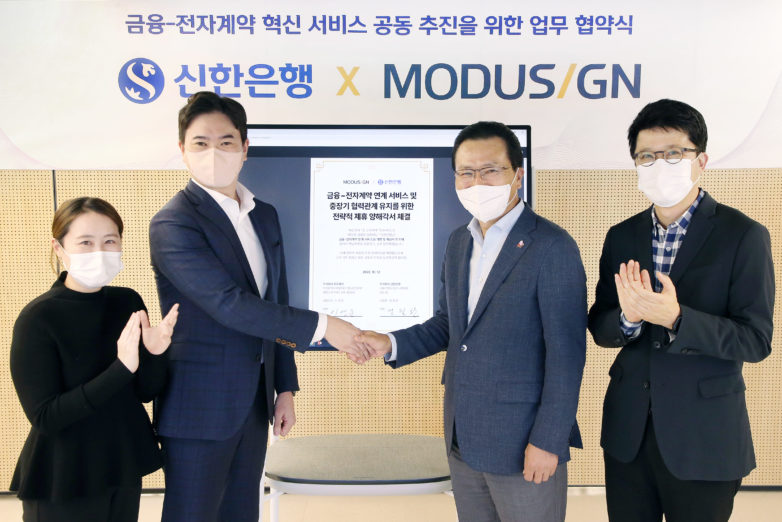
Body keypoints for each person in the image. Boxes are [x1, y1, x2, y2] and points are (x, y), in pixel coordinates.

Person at [149, 91, 369, 522]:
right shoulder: (174, 223)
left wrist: (284, 388)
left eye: (226, 142)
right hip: (199, 407)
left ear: (245, 148)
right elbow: (229, 305)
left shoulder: (263, 215)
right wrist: (326, 326)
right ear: (182, 150)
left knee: (241, 514)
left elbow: (275, 303)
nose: (214, 153)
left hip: (253, 403)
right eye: (200, 143)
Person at [357, 121, 587, 522]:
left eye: (490, 170)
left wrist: (549, 441)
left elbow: (566, 356)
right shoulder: (459, 242)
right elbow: (450, 325)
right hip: (463, 437)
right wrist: (389, 342)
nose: (477, 182)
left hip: (524, 444)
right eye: (466, 172)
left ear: (517, 175)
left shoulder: (552, 246)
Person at [587, 99, 775, 522]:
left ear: (700, 160)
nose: (659, 165)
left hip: (704, 437)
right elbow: (599, 324)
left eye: (673, 154)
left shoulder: (743, 235)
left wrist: (677, 319)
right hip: (628, 434)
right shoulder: (621, 236)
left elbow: (755, 340)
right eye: (647, 157)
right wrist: (628, 319)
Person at [9, 197, 179, 522]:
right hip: (63, 474)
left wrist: (156, 354)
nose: (99, 251)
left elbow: (144, 391)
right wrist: (121, 369)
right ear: (59, 248)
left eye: (109, 241)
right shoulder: (38, 318)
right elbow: (46, 416)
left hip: (122, 463)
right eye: (85, 242)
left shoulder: (127, 302)